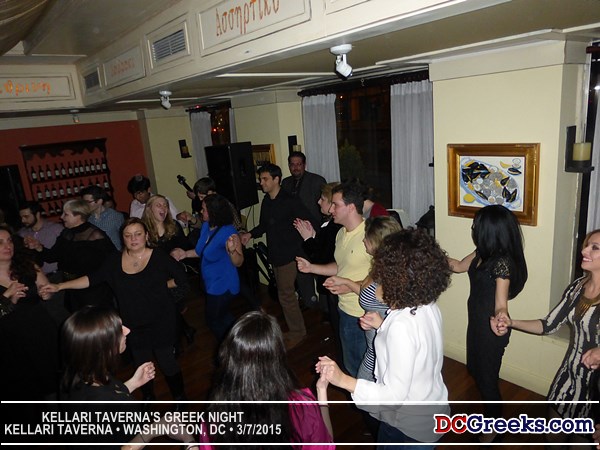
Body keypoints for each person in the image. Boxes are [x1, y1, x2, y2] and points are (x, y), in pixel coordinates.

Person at [317, 228, 451, 449]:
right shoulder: (427, 306)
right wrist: (382, 326)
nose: (375, 281)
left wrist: (342, 380)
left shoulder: (401, 326)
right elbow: (415, 347)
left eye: (381, 273)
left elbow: (392, 396)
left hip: (408, 428)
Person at [40, 218, 189, 403]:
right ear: (122, 238)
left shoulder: (159, 256)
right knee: (141, 363)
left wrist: (161, 287)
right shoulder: (114, 261)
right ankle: (148, 397)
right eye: (128, 235)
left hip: (161, 320)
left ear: (146, 236)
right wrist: (60, 286)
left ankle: (180, 398)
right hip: (132, 323)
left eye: (138, 234)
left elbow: (181, 279)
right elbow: (91, 279)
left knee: (167, 361)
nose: (133, 239)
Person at [492, 228, 600, 447]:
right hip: (568, 377)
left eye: (594, 247)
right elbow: (548, 324)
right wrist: (511, 322)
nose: (584, 250)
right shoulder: (577, 287)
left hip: (596, 389)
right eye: (587, 245)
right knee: (552, 438)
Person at [60, 305, 194, 448]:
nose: (127, 330)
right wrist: (153, 430)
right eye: (119, 330)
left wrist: (133, 383)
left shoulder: (78, 375)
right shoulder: (112, 405)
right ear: (104, 347)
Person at [447, 204, 528, 442]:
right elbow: (457, 266)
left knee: (487, 378)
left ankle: (495, 424)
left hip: (492, 328)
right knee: (475, 368)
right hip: (477, 323)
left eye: (476, 225)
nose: (473, 228)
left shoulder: (502, 263)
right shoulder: (482, 253)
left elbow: (501, 304)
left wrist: (501, 319)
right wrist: (430, 253)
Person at [203, 310, 333, 449]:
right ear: (278, 357)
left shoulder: (215, 415)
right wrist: (322, 392)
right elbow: (326, 445)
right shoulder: (301, 407)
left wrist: (189, 443)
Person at [296, 181, 371, 376]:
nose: (331, 209)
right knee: (350, 364)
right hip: (344, 309)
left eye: (336, 205)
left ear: (351, 207)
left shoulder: (370, 235)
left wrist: (350, 285)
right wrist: (311, 267)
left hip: (363, 314)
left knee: (363, 370)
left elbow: (382, 278)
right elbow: (340, 266)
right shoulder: (341, 234)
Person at [240, 164, 316, 349]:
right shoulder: (267, 200)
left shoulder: (291, 201)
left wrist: (304, 245)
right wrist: (250, 234)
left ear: (276, 179)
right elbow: (264, 225)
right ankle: (297, 328)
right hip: (275, 253)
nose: (261, 182)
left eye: (265, 179)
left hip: (290, 255)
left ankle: (298, 332)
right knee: (285, 294)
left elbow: (310, 221)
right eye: (260, 179)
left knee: (286, 295)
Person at [322, 216, 402, 382]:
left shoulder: (391, 275)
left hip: (381, 347)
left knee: (365, 383)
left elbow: (399, 314)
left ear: (377, 243)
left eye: (366, 237)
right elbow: (370, 292)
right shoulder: (380, 266)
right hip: (373, 343)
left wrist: (380, 324)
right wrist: (347, 283)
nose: (363, 240)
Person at [172, 194, 243, 342]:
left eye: (204, 209)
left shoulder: (229, 232)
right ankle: (240, 340)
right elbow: (201, 251)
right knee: (222, 316)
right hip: (211, 282)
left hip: (223, 285)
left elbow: (239, 262)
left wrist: (232, 251)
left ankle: (231, 346)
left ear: (214, 212)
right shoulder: (206, 226)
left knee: (213, 320)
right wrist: (184, 253)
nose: (201, 211)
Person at [25, 198, 116, 313]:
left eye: (66, 214)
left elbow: (113, 260)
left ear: (78, 216)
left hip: (93, 290)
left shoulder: (95, 235)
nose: (61, 217)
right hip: (70, 289)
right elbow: (52, 256)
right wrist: (38, 247)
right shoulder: (67, 233)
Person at [0, 225, 59, 400]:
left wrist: (46, 293)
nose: (7, 246)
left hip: (40, 329)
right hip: (11, 339)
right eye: (0, 243)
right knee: (28, 387)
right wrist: (8, 298)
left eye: (9, 241)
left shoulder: (27, 265)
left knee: (54, 379)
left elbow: (46, 289)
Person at [142, 195, 196, 351]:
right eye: (159, 205)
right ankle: (186, 331)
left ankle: (176, 346)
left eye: (165, 205)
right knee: (169, 311)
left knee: (170, 311)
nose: (163, 208)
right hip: (156, 279)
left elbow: (185, 247)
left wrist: (179, 251)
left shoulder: (174, 226)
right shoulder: (143, 230)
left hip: (174, 278)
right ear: (149, 209)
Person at [293, 182, 342, 353]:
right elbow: (324, 247)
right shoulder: (330, 224)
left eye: (322, 199)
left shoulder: (335, 227)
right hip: (332, 283)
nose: (318, 202)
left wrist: (307, 238)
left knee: (337, 322)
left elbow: (321, 258)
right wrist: (313, 235)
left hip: (334, 283)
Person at [282, 152, 327, 308]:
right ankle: (309, 302)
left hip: (314, 234)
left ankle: (325, 307)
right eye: (292, 164)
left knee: (319, 271)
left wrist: (320, 232)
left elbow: (324, 209)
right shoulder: (285, 183)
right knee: (302, 271)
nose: (295, 167)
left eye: (299, 164)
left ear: (304, 165)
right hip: (294, 236)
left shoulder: (317, 181)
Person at [18, 201, 63, 275]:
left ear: (37, 214)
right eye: (21, 217)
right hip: (35, 277)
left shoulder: (56, 229)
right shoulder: (22, 233)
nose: (23, 220)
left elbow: (65, 254)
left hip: (57, 274)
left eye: (26, 216)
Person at [81, 185, 125, 250]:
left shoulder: (116, 216)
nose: (85, 205)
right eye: (84, 202)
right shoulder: (86, 218)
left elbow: (125, 238)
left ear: (99, 201)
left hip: (115, 253)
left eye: (88, 202)